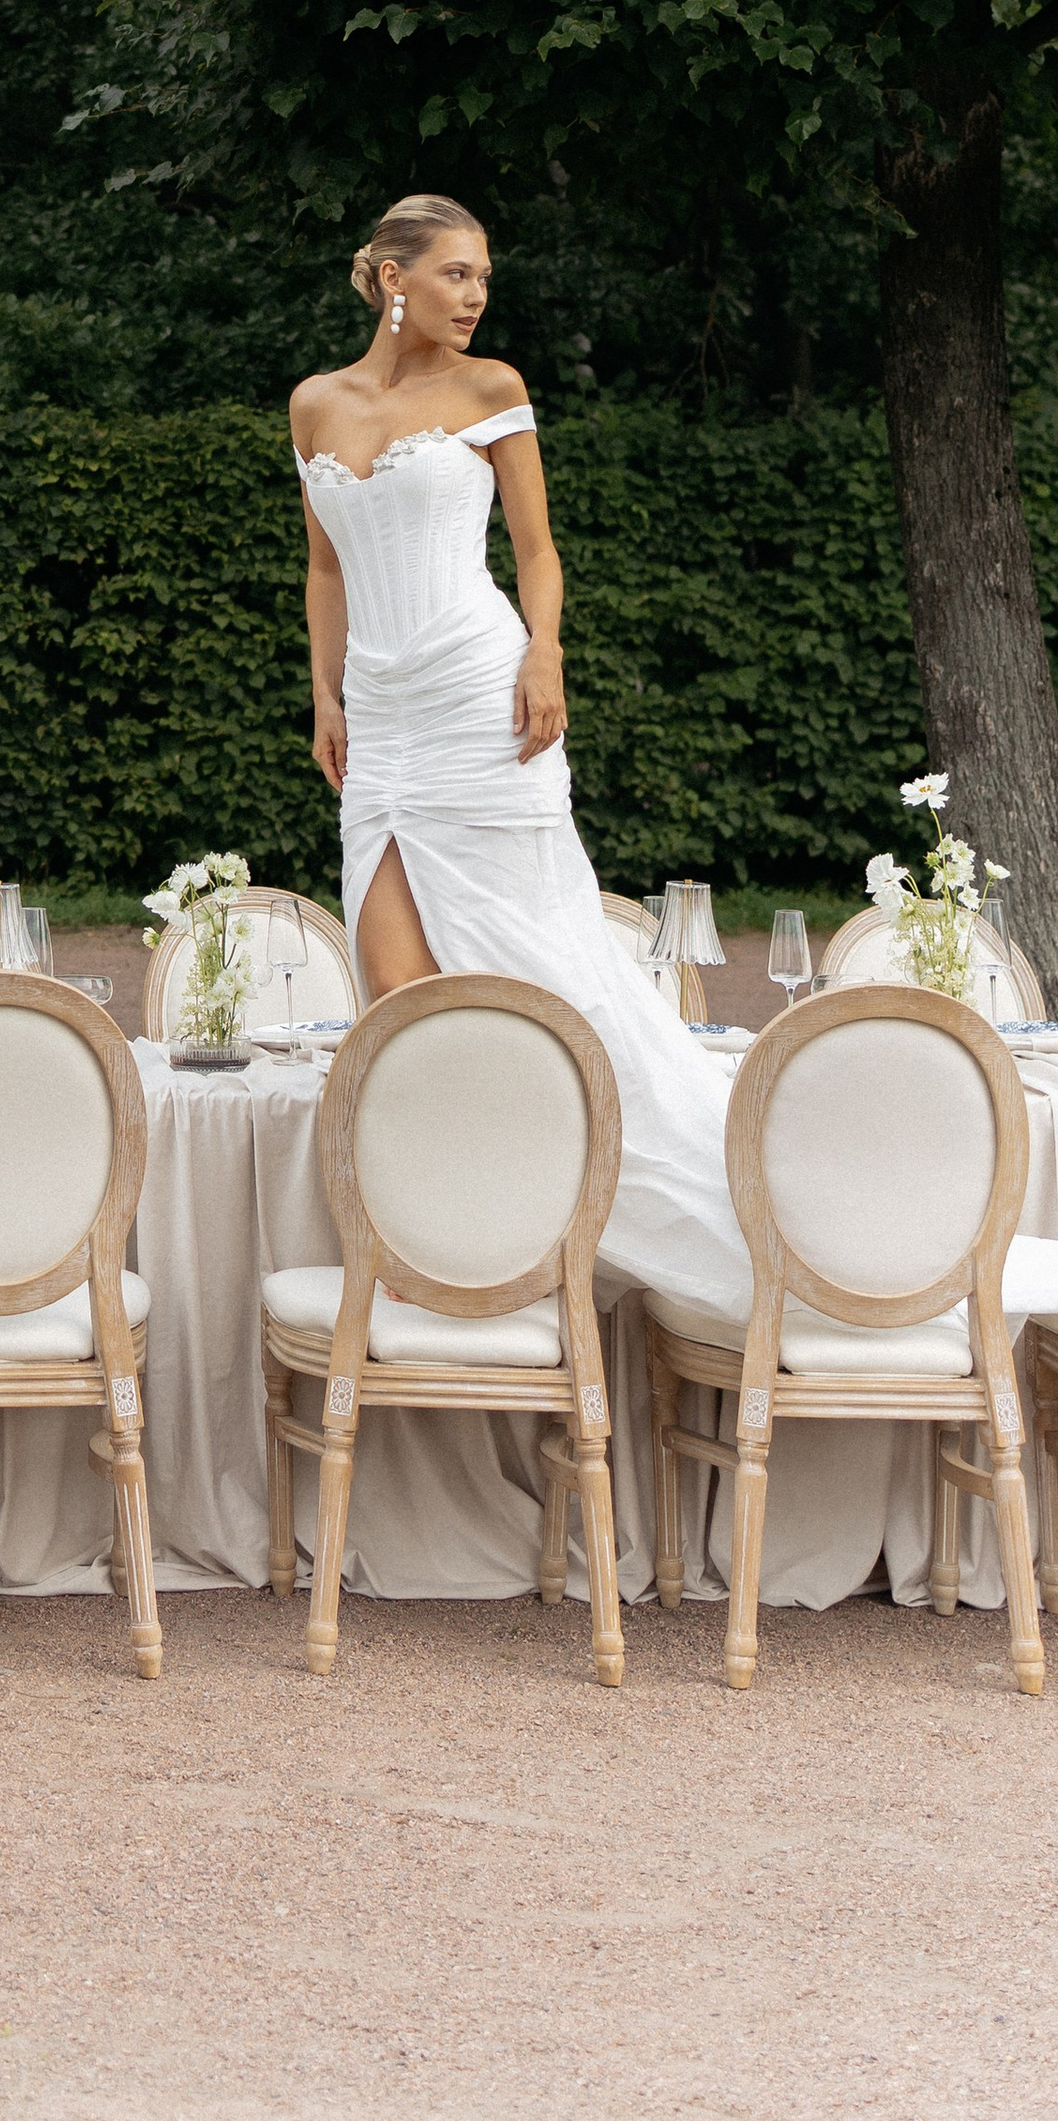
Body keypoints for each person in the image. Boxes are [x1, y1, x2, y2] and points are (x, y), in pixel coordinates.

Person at [291, 191, 751, 1316]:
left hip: (476, 695)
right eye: (455, 273)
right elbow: (326, 568)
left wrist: (543, 652)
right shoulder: (314, 405)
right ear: (392, 277)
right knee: (394, 984)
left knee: (532, 963)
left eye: (482, 276)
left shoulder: (491, 389)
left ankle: (543, 1213)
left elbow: (537, 551)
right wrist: (323, 693)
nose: (476, 294)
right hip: (382, 717)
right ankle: (454, 1223)